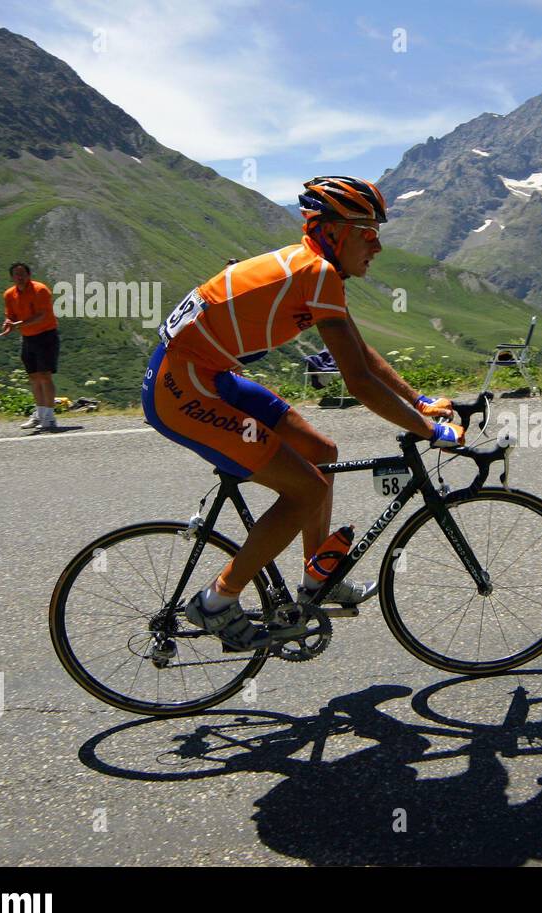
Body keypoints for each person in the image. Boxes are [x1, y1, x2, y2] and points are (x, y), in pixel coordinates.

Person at [142, 175, 463, 650]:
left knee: (321, 451)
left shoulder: (313, 268)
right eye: (367, 232)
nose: (376, 245)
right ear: (333, 232)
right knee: (306, 488)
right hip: (183, 390)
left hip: (207, 375)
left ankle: (318, 581)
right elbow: (356, 381)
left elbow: (360, 351)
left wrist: (418, 401)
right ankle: (216, 600)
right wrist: (429, 429)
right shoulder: (317, 272)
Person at [0, 262, 60, 430]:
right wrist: (8, 323)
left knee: (45, 375)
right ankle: (39, 414)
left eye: (23, 274)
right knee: (33, 376)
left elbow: (42, 315)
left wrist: (17, 324)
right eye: (16, 274)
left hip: (46, 336)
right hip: (28, 338)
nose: (20, 277)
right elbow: (9, 315)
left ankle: (49, 417)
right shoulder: (9, 294)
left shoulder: (40, 290)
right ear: (12, 277)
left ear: (29, 275)